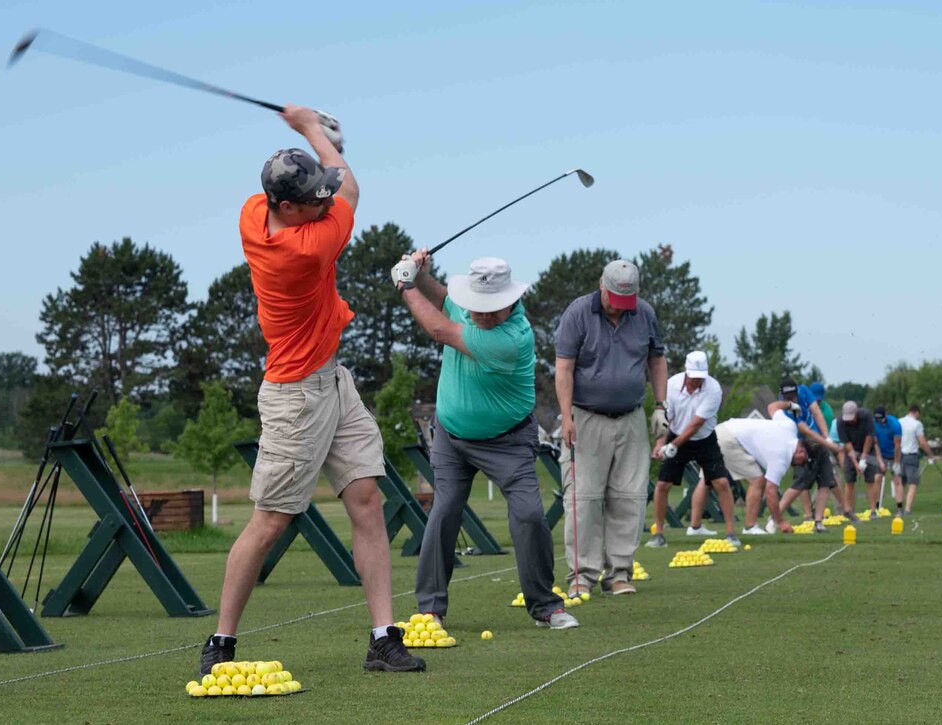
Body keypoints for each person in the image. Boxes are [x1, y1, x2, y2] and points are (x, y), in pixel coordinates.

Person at [200, 106, 424, 676]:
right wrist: (308, 129)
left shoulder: (255, 211)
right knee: (271, 520)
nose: (326, 202)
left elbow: (333, 180)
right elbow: (352, 182)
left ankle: (382, 637)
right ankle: (221, 642)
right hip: (295, 396)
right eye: (315, 200)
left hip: (333, 381)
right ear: (288, 207)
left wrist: (316, 142)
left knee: (367, 500)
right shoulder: (307, 249)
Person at [391, 252, 577, 630]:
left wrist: (406, 287)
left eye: (493, 309)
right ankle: (430, 609)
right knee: (444, 513)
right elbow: (444, 300)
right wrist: (422, 274)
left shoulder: (512, 337)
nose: (484, 315)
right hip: (452, 437)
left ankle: (545, 605)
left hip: (507, 441)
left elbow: (440, 329)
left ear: (511, 302)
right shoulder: (466, 307)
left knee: (528, 514)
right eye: (478, 307)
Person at [555, 260, 668, 597]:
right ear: (601, 285)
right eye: (615, 298)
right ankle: (582, 576)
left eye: (627, 300)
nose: (620, 307)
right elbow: (564, 368)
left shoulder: (644, 313)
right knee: (584, 498)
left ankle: (619, 574)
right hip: (586, 416)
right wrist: (566, 417)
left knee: (630, 497)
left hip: (632, 417)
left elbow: (657, 359)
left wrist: (660, 406)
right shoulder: (577, 314)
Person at [646, 351, 740, 548]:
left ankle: (731, 533)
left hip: (704, 439)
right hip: (676, 435)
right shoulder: (671, 385)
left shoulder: (713, 389)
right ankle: (659, 535)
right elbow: (666, 418)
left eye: (701, 377)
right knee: (662, 485)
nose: (697, 381)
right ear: (686, 372)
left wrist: (673, 445)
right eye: (694, 376)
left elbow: (696, 424)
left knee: (721, 482)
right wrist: (660, 444)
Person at [716, 401, 807, 535]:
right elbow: (770, 493)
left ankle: (694, 528)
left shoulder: (790, 426)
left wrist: (790, 405)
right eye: (804, 461)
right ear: (801, 451)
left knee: (706, 480)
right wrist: (781, 522)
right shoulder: (782, 458)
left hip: (722, 429)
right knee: (757, 481)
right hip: (730, 440)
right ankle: (750, 526)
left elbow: (772, 406)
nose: (801, 465)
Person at [770, 378, 842, 533]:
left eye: (794, 394)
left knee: (825, 481)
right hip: (800, 447)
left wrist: (826, 436)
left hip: (819, 442)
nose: (793, 398)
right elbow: (804, 430)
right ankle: (774, 518)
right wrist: (827, 443)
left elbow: (816, 412)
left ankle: (819, 522)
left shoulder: (804, 391)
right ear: (782, 395)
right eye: (789, 396)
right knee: (799, 485)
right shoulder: (783, 409)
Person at [837, 401, 880, 520]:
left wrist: (864, 458)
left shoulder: (866, 416)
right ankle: (849, 511)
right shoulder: (840, 422)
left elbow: (869, 437)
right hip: (851, 451)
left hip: (868, 449)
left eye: (852, 417)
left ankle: (873, 511)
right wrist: (856, 463)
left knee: (870, 480)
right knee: (849, 481)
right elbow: (847, 444)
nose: (849, 421)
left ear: (856, 413)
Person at [898, 405, 936, 515]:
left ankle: (899, 508)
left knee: (901, 483)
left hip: (899, 455)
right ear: (917, 412)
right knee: (913, 483)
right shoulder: (917, 424)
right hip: (911, 456)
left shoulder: (899, 421)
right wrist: (930, 455)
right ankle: (907, 509)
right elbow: (922, 442)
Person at [872, 405, 905, 514]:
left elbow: (897, 445)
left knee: (897, 480)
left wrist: (896, 463)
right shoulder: (873, 423)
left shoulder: (895, 425)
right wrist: (880, 461)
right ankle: (875, 507)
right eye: (877, 419)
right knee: (877, 478)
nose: (879, 421)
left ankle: (899, 507)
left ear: (885, 415)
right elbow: (875, 443)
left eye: (881, 418)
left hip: (895, 454)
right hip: (881, 453)